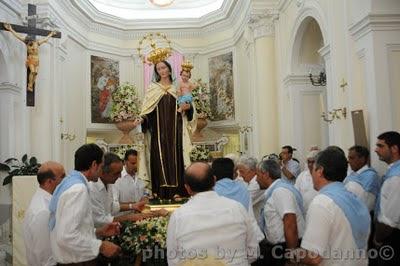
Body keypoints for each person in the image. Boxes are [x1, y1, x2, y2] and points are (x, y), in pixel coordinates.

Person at [166, 162, 259, 266]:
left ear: (187, 188)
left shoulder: (178, 216)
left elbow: (173, 259)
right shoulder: (237, 208)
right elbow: (253, 252)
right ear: (214, 181)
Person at [295, 148, 370, 265]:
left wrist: (294, 254)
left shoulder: (322, 203)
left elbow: (313, 257)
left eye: (313, 169)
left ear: (320, 171)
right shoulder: (354, 198)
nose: (311, 173)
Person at [49, 144, 121, 265]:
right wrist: (101, 246)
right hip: (75, 262)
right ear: (94, 165)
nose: (102, 171)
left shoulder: (69, 183)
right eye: (101, 166)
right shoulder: (78, 189)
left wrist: (99, 232)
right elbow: (66, 236)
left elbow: (71, 228)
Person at [136, 60, 194, 199]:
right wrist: (142, 119)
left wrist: (189, 108)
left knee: (177, 159)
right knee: (158, 159)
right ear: (156, 72)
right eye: (158, 69)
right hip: (158, 133)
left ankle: (178, 192)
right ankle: (159, 192)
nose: (162, 71)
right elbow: (147, 111)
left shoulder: (177, 88)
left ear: (169, 69)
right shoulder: (153, 89)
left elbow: (189, 107)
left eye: (164, 67)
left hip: (176, 132)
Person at [89, 153, 164, 228]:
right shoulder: (92, 188)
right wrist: (128, 217)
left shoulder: (109, 183)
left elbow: (111, 206)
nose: (120, 176)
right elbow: (99, 220)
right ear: (102, 173)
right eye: (117, 173)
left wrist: (133, 206)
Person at [256, 159, 305, 266]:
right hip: (278, 248)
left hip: (284, 249)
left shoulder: (280, 191)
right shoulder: (276, 190)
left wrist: (291, 255)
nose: (256, 179)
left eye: (257, 175)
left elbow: (290, 222)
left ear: (266, 174)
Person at [212, 158, 264, 243]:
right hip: (250, 236)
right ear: (234, 173)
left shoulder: (212, 191)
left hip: (226, 239)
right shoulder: (243, 187)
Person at [23, 161, 65, 266]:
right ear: (49, 182)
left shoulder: (49, 201)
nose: (66, 181)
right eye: (63, 177)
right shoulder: (43, 211)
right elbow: (46, 258)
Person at [373, 131, 400, 265]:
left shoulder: (396, 177)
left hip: (391, 237)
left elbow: (389, 221)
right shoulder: (393, 171)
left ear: (394, 149)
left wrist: (378, 238)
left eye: (380, 146)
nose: (376, 150)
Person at [4, 23, 56, 91]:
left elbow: (45, 39)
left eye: (32, 40)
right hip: (31, 59)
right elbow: (18, 36)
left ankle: (31, 84)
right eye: (30, 40)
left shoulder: (37, 43)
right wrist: (10, 29)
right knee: (32, 72)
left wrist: (51, 34)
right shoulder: (27, 42)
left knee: (36, 73)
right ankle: (30, 85)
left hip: (37, 60)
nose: (31, 41)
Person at [344, 145, 380, 212]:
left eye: (351, 158)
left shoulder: (371, 176)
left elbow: (368, 204)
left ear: (362, 159)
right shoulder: (352, 174)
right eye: (348, 158)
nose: (348, 161)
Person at [294, 147, 319, 213]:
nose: (310, 164)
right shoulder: (302, 176)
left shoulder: (322, 176)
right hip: (304, 212)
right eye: (309, 162)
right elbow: (295, 193)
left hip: (318, 211)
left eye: (313, 162)